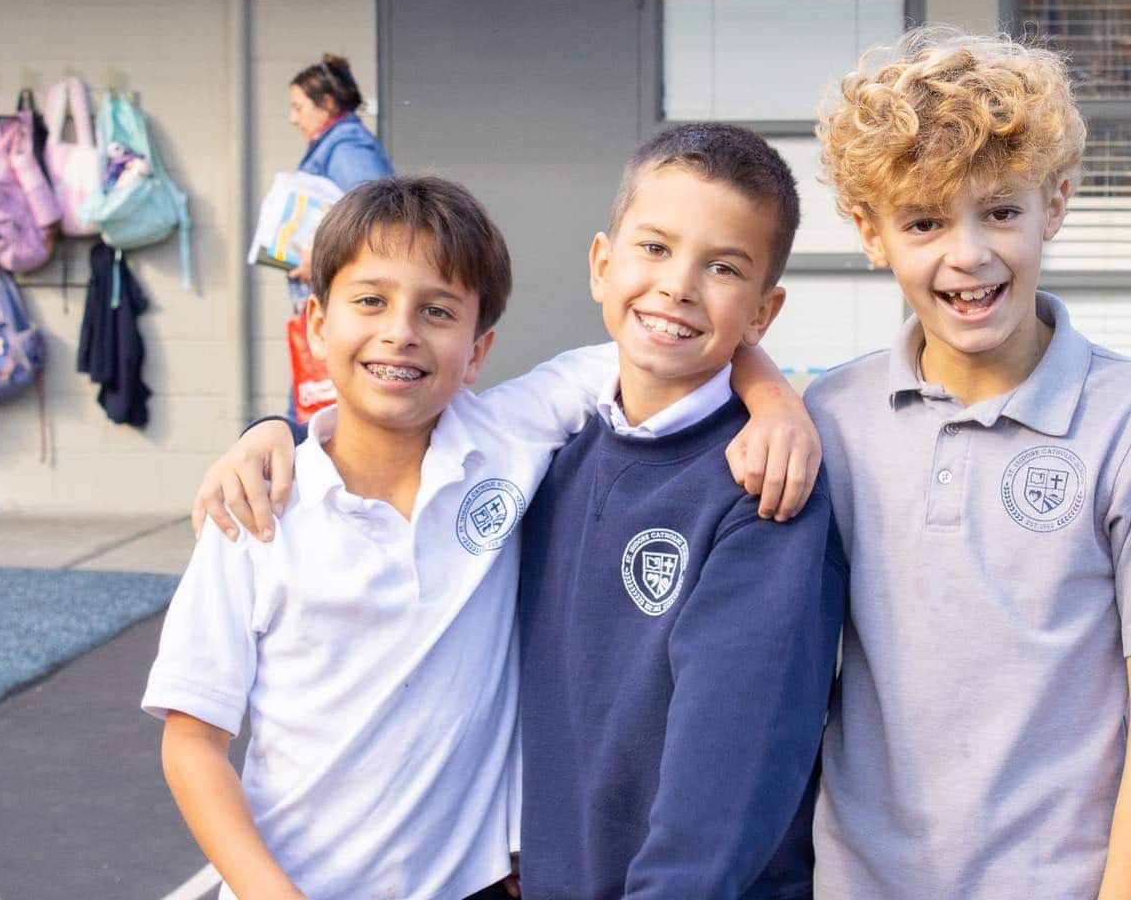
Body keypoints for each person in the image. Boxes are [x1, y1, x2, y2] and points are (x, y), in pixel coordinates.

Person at [155, 176, 821, 900]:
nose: (400, 331)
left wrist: (775, 402)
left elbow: (667, 343)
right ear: (317, 324)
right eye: (370, 301)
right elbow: (192, 742)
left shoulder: (508, 435)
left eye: (437, 311)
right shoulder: (253, 511)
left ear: (478, 350)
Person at [806, 25, 1131, 899]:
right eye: (924, 221)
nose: (967, 254)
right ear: (870, 232)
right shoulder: (830, 419)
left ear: (1055, 204)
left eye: (999, 211)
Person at [516, 124, 846, 899]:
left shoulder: (765, 486)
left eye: (722, 266)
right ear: (602, 264)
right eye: (655, 248)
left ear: (762, 313)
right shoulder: (547, 458)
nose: (677, 286)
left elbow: (733, 764)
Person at [287, 53, 394, 286]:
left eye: (298, 107)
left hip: (342, 286)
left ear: (327, 103)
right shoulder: (335, 146)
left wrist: (322, 259)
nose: (292, 119)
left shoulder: (348, 149)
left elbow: (375, 215)